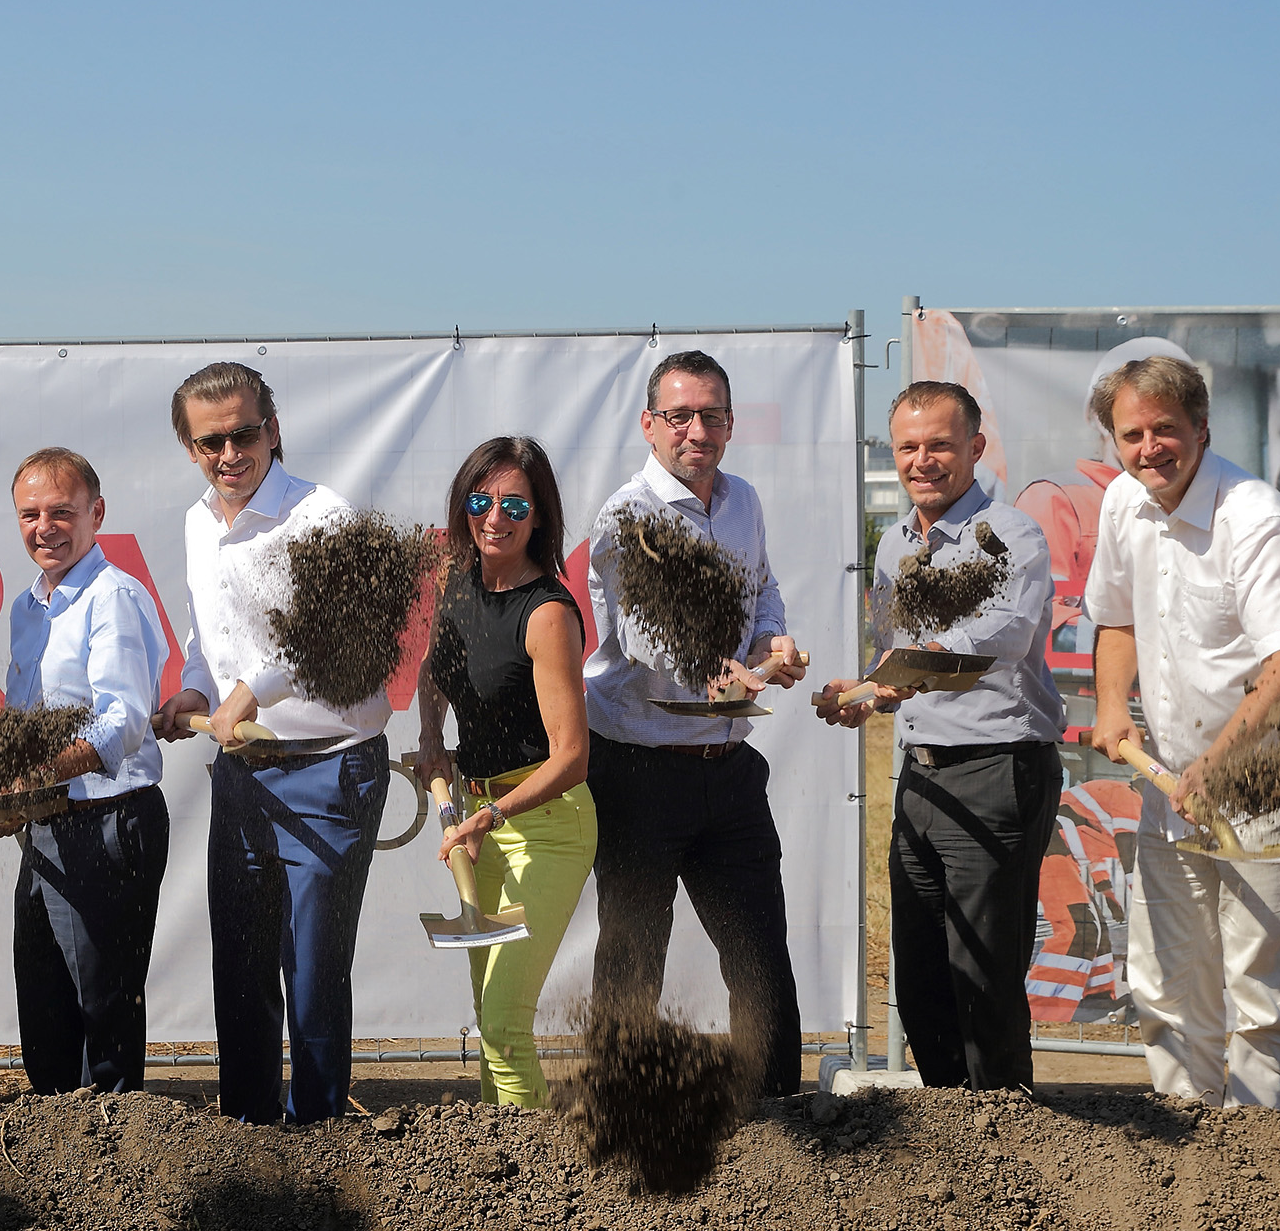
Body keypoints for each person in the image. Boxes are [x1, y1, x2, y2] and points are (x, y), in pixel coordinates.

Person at [1082, 354, 1280, 1110]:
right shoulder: (1124, 503)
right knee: (1165, 983)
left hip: (1267, 783)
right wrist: (1113, 705)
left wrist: (1218, 769)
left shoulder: (1254, 516)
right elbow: (1116, 616)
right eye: (1131, 434)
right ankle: (1185, 1151)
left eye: (1165, 429)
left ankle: (1254, 1163)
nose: (1148, 447)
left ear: (1200, 428)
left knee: (1259, 996)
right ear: (1113, 442)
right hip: (1173, 781)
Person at [149, 361, 391, 1125]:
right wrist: (195, 686)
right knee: (242, 961)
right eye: (209, 440)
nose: (229, 453)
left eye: (243, 433)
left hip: (328, 768)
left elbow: (348, 634)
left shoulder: (322, 517)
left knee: (313, 966)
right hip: (243, 771)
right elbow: (203, 633)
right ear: (190, 448)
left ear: (273, 429)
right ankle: (249, 1132)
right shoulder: (195, 522)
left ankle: (318, 1136)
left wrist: (256, 687)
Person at [814, 380, 1064, 1090]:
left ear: (974, 449)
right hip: (919, 778)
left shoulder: (1011, 535)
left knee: (981, 976)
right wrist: (862, 696)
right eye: (907, 447)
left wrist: (892, 679)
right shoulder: (894, 545)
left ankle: (1006, 1143)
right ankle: (951, 1136)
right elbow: (896, 657)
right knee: (921, 975)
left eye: (940, 446)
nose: (922, 460)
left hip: (996, 773)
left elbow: (999, 638)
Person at [582, 348, 808, 1096]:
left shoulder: (741, 499)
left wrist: (770, 639)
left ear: (730, 424)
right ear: (649, 425)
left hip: (728, 771)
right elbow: (646, 635)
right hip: (639, 772)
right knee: (632, 959)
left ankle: (780, 1124)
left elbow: (762, 588)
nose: (695, 431)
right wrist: (718, 666)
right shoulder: (625, 516)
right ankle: (623, 1119)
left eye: (710, 415)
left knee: (759, 959)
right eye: (678, 416)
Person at [410, 437, 595, 1108]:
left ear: (538, 515)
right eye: (479, 501)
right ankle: (501, 1173)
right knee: (491, 1019)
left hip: (544, 826)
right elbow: (435, 668)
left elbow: (572, 758)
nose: (495, 517)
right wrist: (432, 737)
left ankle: (540, 1194)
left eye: (514, 504)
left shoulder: (546, 613)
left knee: (504, 1025)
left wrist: (494, 814)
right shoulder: (454, 582)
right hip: (478, 817)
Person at [1, 447, 171, 1093]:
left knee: (103, 1013)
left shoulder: (114, 597)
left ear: (95, 514)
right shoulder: (27, 608)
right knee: (44, 1007)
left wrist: (37, 772)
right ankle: (51, 1164)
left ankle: (108, 1169)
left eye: (61, 512)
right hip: (46, 824)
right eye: (30, 514)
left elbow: (124, 718)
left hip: (108, 823)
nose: (44, 527)